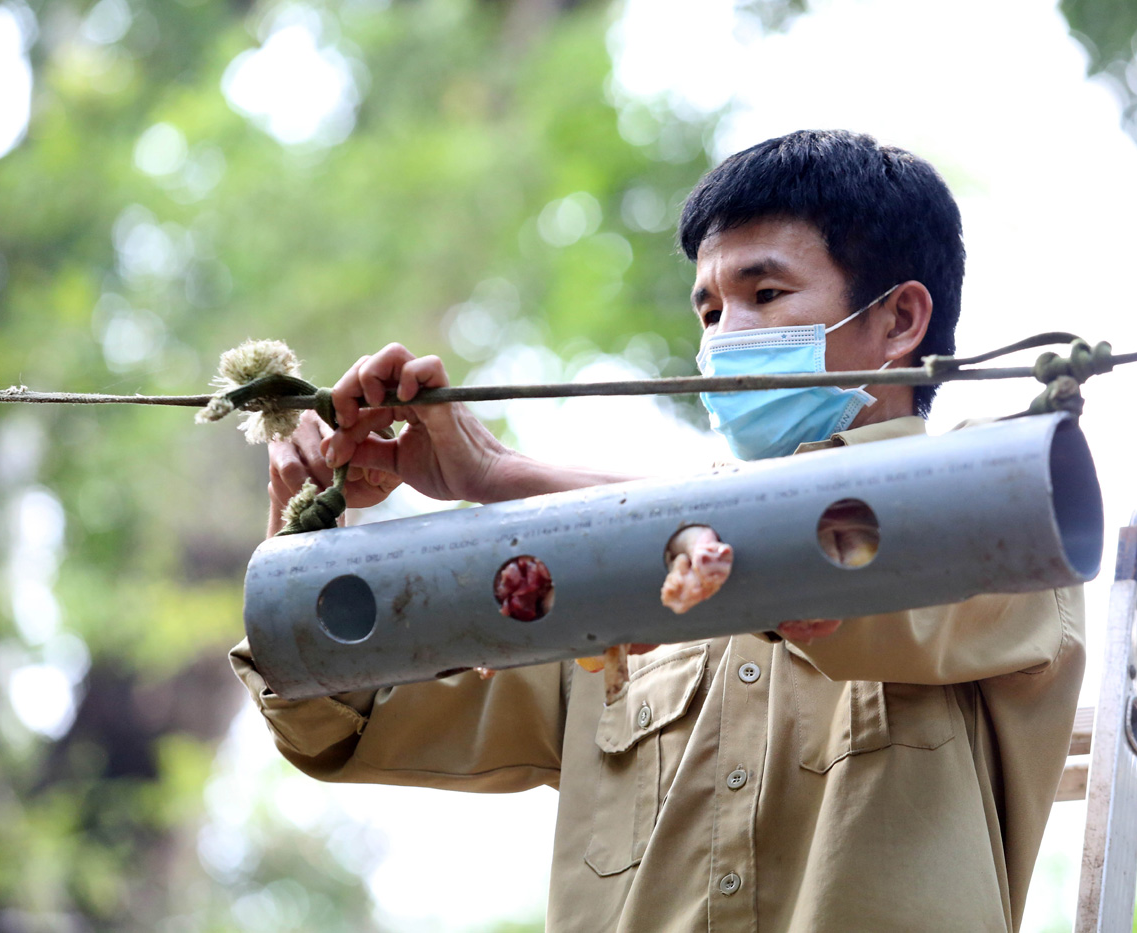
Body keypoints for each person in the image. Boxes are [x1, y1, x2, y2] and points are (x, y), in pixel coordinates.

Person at [231, 129, 1085, 932]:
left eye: (765, 293)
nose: (724, 339)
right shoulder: (596, 581)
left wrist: (505, 479)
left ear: (898, 322)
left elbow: (816, 555)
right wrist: (313, 533)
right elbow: (347, 719)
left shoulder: (1007, 518)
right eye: (709, 311)